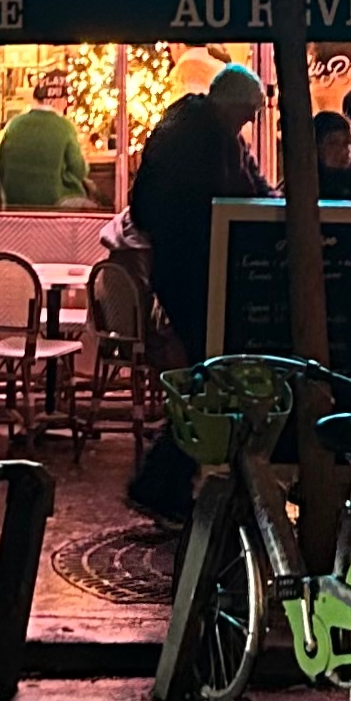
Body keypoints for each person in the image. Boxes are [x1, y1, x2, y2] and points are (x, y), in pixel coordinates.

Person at [123, 62, 269, 521]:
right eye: (246, 114)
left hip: (182, 270)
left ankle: (168, 474)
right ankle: (162, 476)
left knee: (211, 370)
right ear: (230, 104)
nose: (246, 124)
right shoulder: (202, 138)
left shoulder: (193, 129)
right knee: (212, 371)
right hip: (196, 272)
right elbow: (232, 194)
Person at [0, 66, 90, 208]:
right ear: (56, 100)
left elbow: (1, 168)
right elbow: (79, 171)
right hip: (54, 206)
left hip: (14, 207)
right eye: (65, 100)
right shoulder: (64, 127)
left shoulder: (13, 124)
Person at [313, 107, 351, 201]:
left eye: (346, 143)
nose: (342, 150)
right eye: (333, 143)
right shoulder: (304, 185)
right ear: (317, 146)